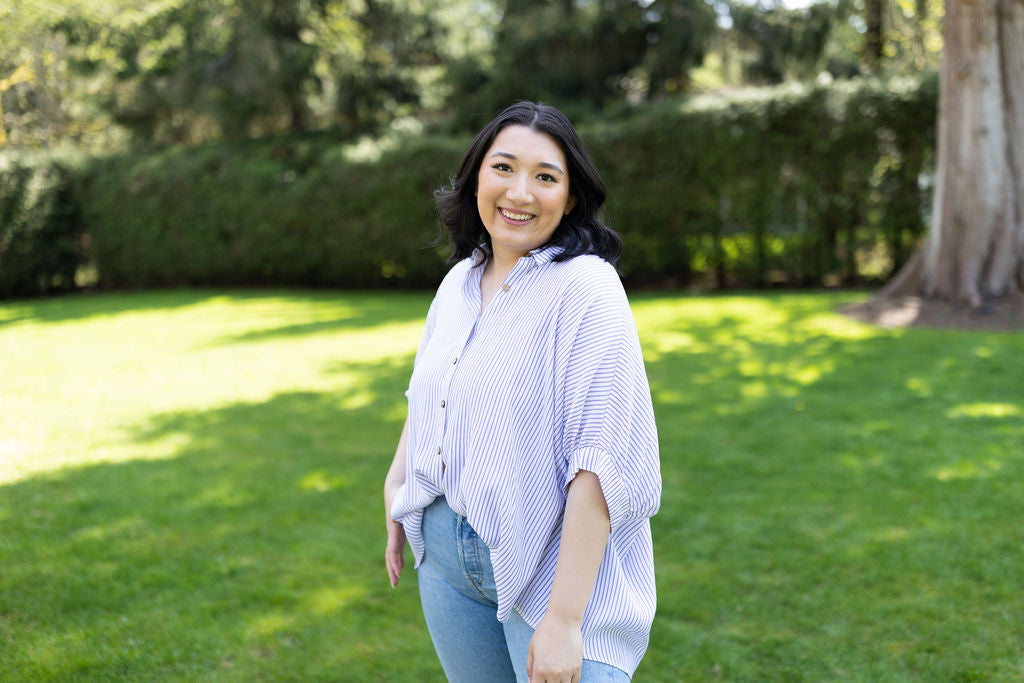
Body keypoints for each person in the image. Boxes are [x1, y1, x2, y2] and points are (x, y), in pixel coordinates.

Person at [383, 101, 661, 683]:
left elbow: (602, 460)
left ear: (571, 196)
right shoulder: (460, 280)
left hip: (553, 571)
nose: (520, 192)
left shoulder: (587, 288)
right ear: (476, 177)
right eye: (503, 168)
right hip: (447, 561)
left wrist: (563, 619)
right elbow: (432, 389)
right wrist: (398, 483)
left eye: (545, 177)